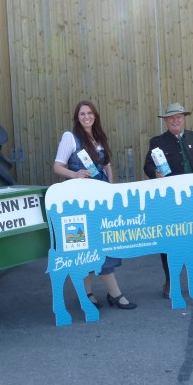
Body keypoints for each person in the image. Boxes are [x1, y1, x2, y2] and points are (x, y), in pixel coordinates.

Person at [53, 100, 137, 310]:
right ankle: (95, 294)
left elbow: (107, 164)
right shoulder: (70, 137)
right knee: (84, 247)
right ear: (77, 117)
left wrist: (111, 188)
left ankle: (107, 294)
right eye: (82, 113)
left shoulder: (99, 137)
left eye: (89, 113)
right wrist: (74, 174)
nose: (86, 116)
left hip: (100, 201)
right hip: (79, 203)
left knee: (104, 243)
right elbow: (57, 166)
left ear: (95, 116)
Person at [143, 102, 193, 299]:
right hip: (170, 200)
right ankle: (170, 280)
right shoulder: (157, 142)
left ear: (184, 118)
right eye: (171, 117)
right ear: (166, 121)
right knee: (168, 240)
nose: (175, 120)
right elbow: (148, 166)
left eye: (179, 116)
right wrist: (155, 172)